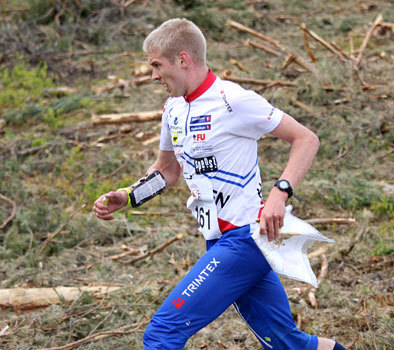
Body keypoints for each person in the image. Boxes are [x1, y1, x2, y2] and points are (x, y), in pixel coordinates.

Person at [93, 18, 347, 350]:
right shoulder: (172, 110)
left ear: (183, 59)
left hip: (245, 241)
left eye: (157, 65)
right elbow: (168, 171)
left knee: (161, 334)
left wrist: (279, 194)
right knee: (288, 343)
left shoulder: (233, 100)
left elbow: (306, 139)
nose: (153, 75)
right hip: (220, 242)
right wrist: (127, 196)